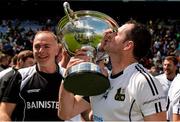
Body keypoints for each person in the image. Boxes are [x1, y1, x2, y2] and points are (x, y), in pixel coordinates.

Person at [58, 20, 167, 121]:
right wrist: (68, 77)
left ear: (127, 45)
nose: (108, 34)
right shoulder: (101, 79)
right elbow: (66, 113)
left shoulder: (143, 82)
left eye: (116, 34)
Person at [0, 31, 65, 121]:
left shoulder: (68, 77)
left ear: (57, 49)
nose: (41, 51)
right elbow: (4, 112)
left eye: (46, 46)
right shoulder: (21, 76)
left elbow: (86, 113)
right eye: (37, 46)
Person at [156, 55, 180, 121]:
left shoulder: (178, 80)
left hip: (176, 117)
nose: (166, 67)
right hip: (161, 118)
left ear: (176, 67)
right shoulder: (157, 81)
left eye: (169, 65)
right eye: (164, 65)